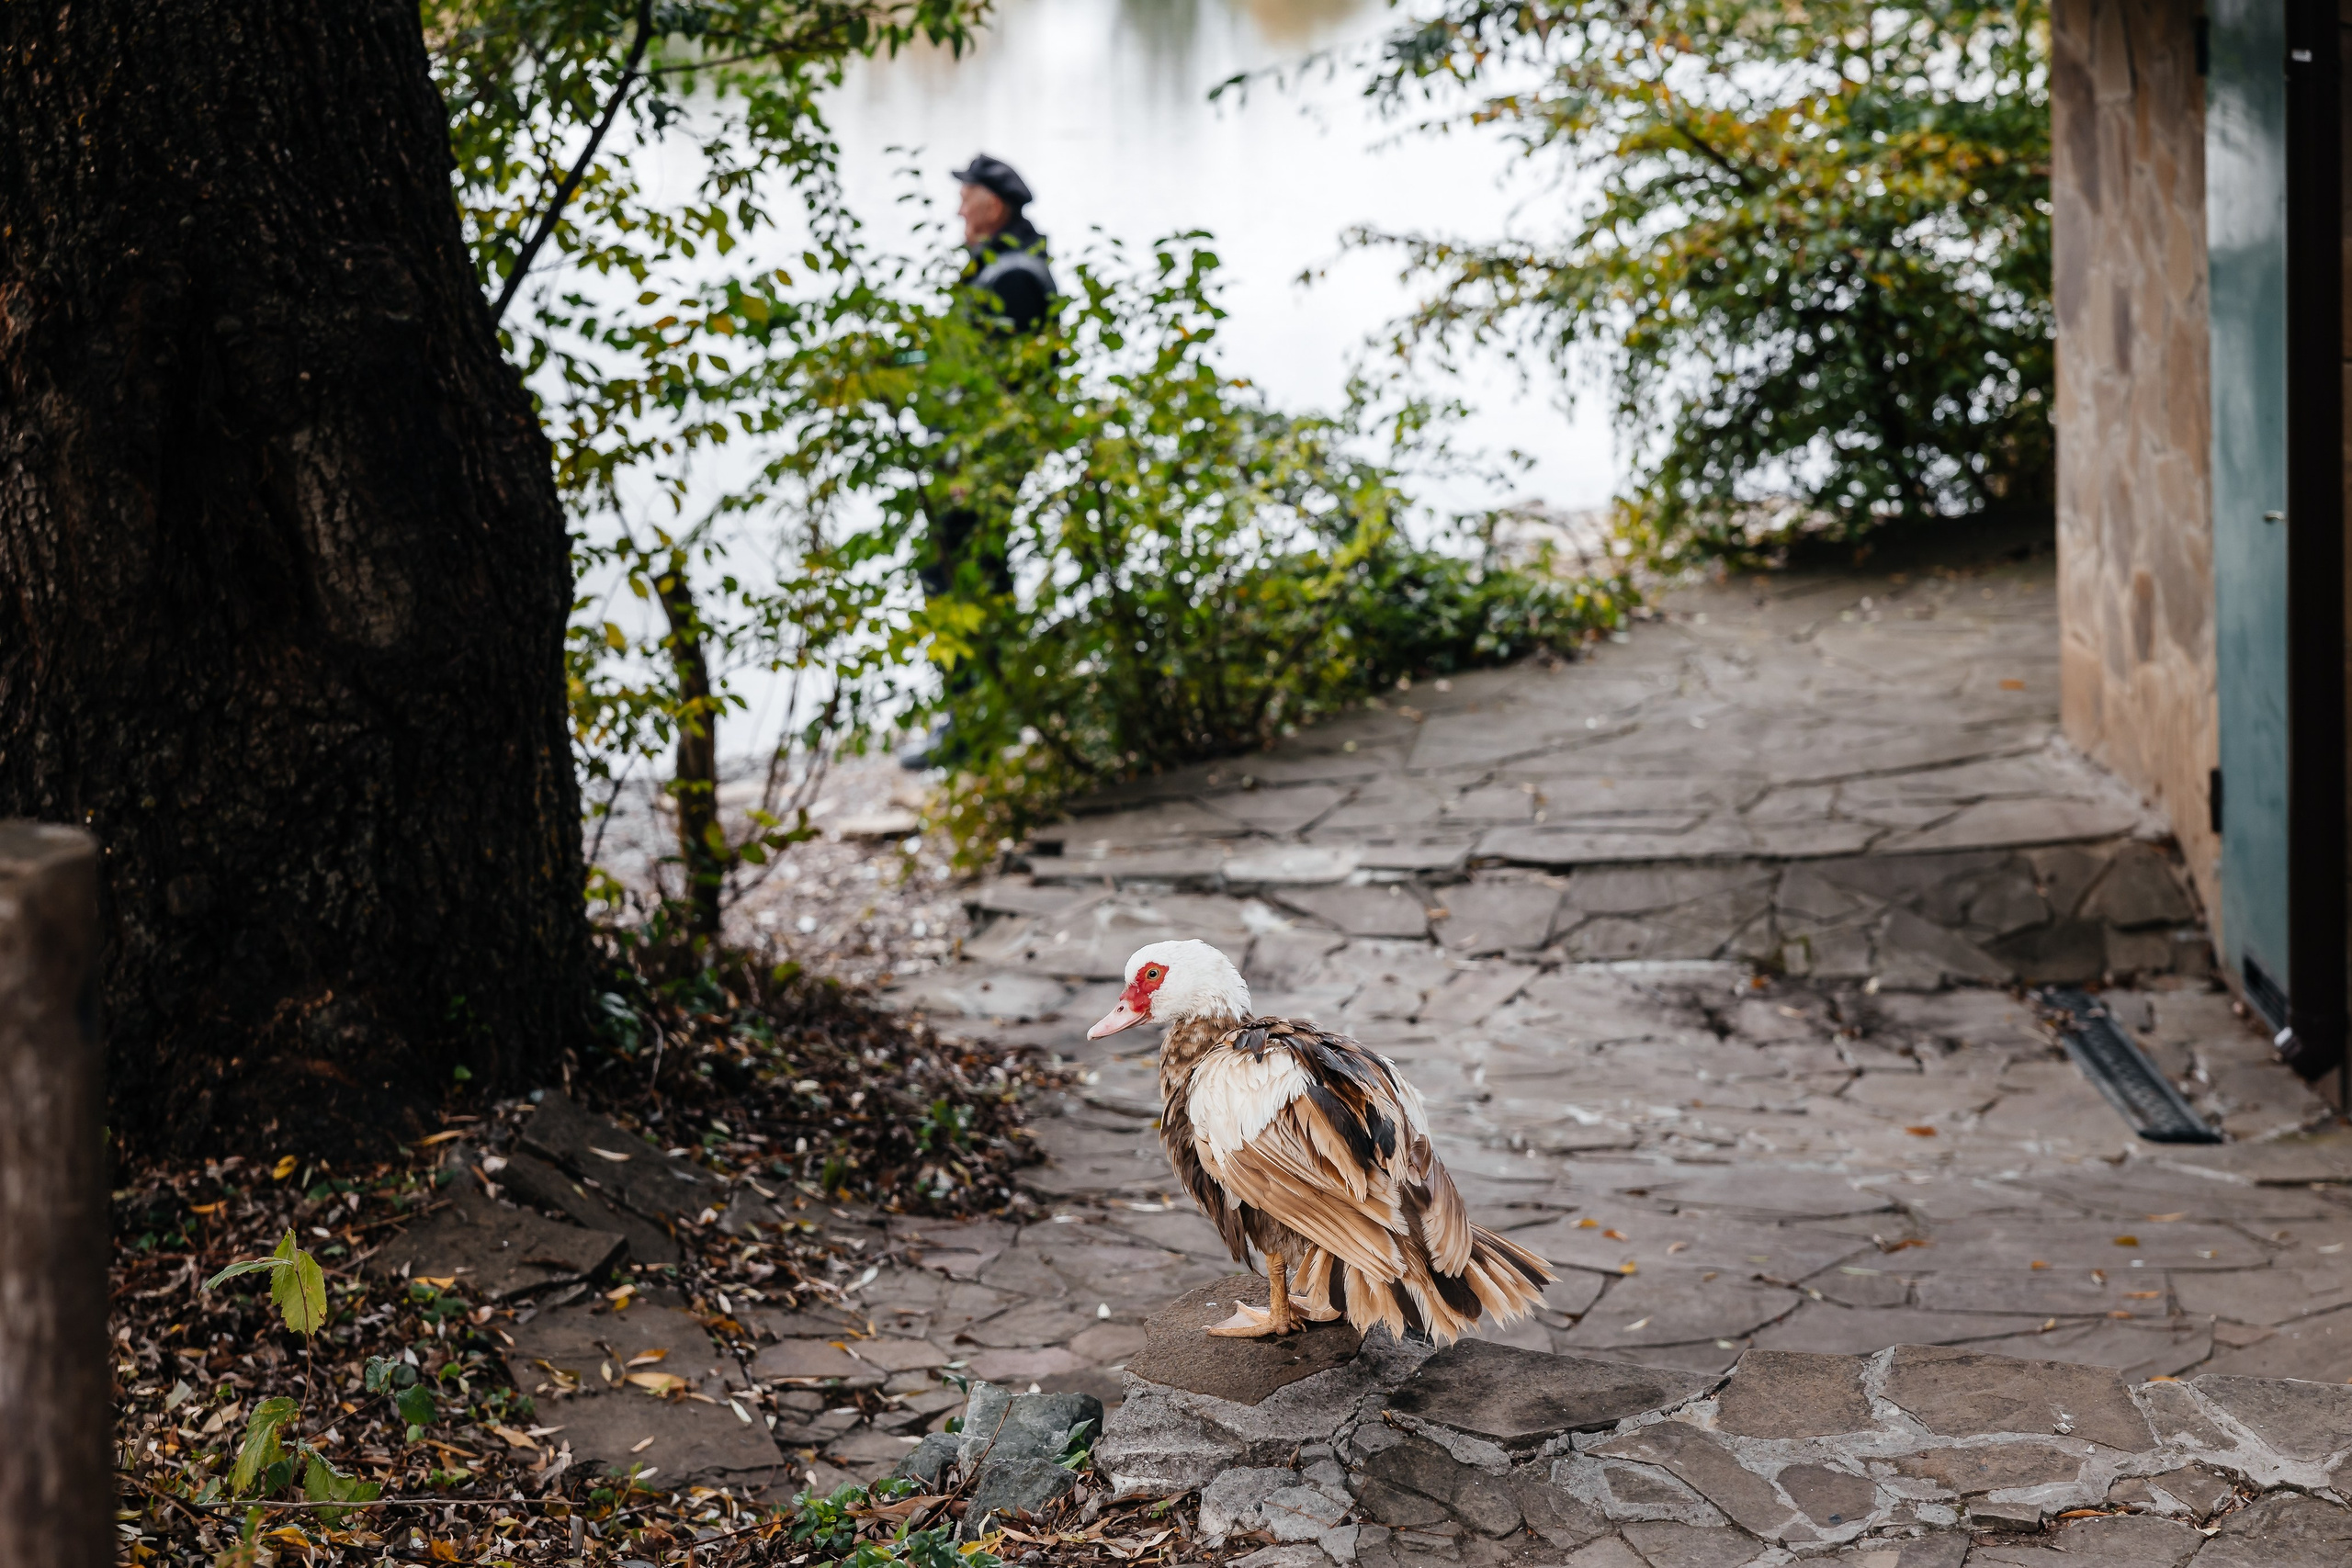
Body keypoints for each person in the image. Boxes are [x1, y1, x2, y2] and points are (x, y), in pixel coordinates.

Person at [902, 155, 1058, 769]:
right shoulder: (998, 265)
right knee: (972, 573)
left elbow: (1006, 388)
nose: (959, 209)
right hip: (971, 459)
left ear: (995, 204)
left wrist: (972, 468)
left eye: (967, 196)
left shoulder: (1014, 276)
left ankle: (974, 723)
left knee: (958, 575)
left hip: (979, 466)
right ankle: (987, 714)